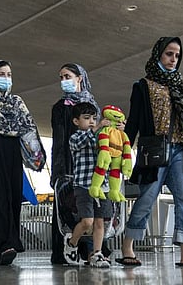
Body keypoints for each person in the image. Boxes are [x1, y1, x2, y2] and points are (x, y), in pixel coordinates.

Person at [119, 36, 183, 267]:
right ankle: (128, 246)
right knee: (147, 198)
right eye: (169, 53)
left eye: (177, 55)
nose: (173, 59)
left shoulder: (180, 85)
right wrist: (123, 150)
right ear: (158, 53)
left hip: (181, 148)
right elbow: (135, 122)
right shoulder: (142, 86)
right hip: (155, 150)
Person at [0, 59, 43, 265]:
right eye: (1, 74)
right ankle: (7, 244)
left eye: (8, 75)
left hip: (12, 153)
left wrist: (37, 156)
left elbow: (28, 127)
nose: (5, 78)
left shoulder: (16, 102)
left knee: (12, 199)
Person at [50, 63, 115, 264]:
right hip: (70, 168)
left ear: (80, 78)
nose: (64, 81)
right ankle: (68, 249)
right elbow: (59, 141)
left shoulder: (92, 106)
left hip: (94, 172)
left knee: (97, 217)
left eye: (68, 76)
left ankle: (94, 253)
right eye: (61, 77)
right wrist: (59, 170)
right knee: (70, 210)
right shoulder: (60, 107)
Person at [63, 102, 112, 268]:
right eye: (86, 118)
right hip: (83, 186)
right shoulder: (75, 137)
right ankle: (71, 243)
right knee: (87, 222)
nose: (91, 121)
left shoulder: (100, 136)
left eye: (93, 118)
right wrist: (97, 127)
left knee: (100, 222)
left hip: (102, 186)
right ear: (76, 121)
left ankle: (97, 253)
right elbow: (80, 142)